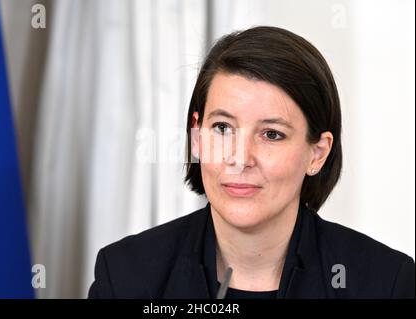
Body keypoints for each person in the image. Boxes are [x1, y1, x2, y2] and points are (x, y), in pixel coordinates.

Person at [88, 26, 415, 299]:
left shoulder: (384, 283)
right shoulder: (125, 275)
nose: (240, 158)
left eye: (271, 134)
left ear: (317, 153)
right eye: (222, 128)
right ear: (198, 137)